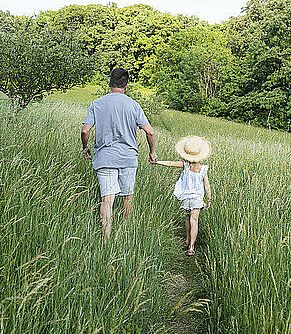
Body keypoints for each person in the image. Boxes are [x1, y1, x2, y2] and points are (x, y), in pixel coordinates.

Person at [81, 67, 157, 240]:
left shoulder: (97, 104)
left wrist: (85, 147)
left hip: (105, 158)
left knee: (107, 199)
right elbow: (150, 132)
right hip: (128, 158)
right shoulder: (134, 105)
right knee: (127, 198)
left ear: (109, 83)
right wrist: (152, 152)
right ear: (126, 86)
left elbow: (85, 131)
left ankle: (106, 241)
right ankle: (126, 235)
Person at [152, 136, 211, 256]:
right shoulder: (203, 169)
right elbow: (206, 185)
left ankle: (187, 239)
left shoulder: (185, 165)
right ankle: (191, 247)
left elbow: (170, 163)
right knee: (194, 220)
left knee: (188, 218)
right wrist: (209, 199)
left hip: (186, 197)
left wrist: (157, 162)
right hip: (197, 198)